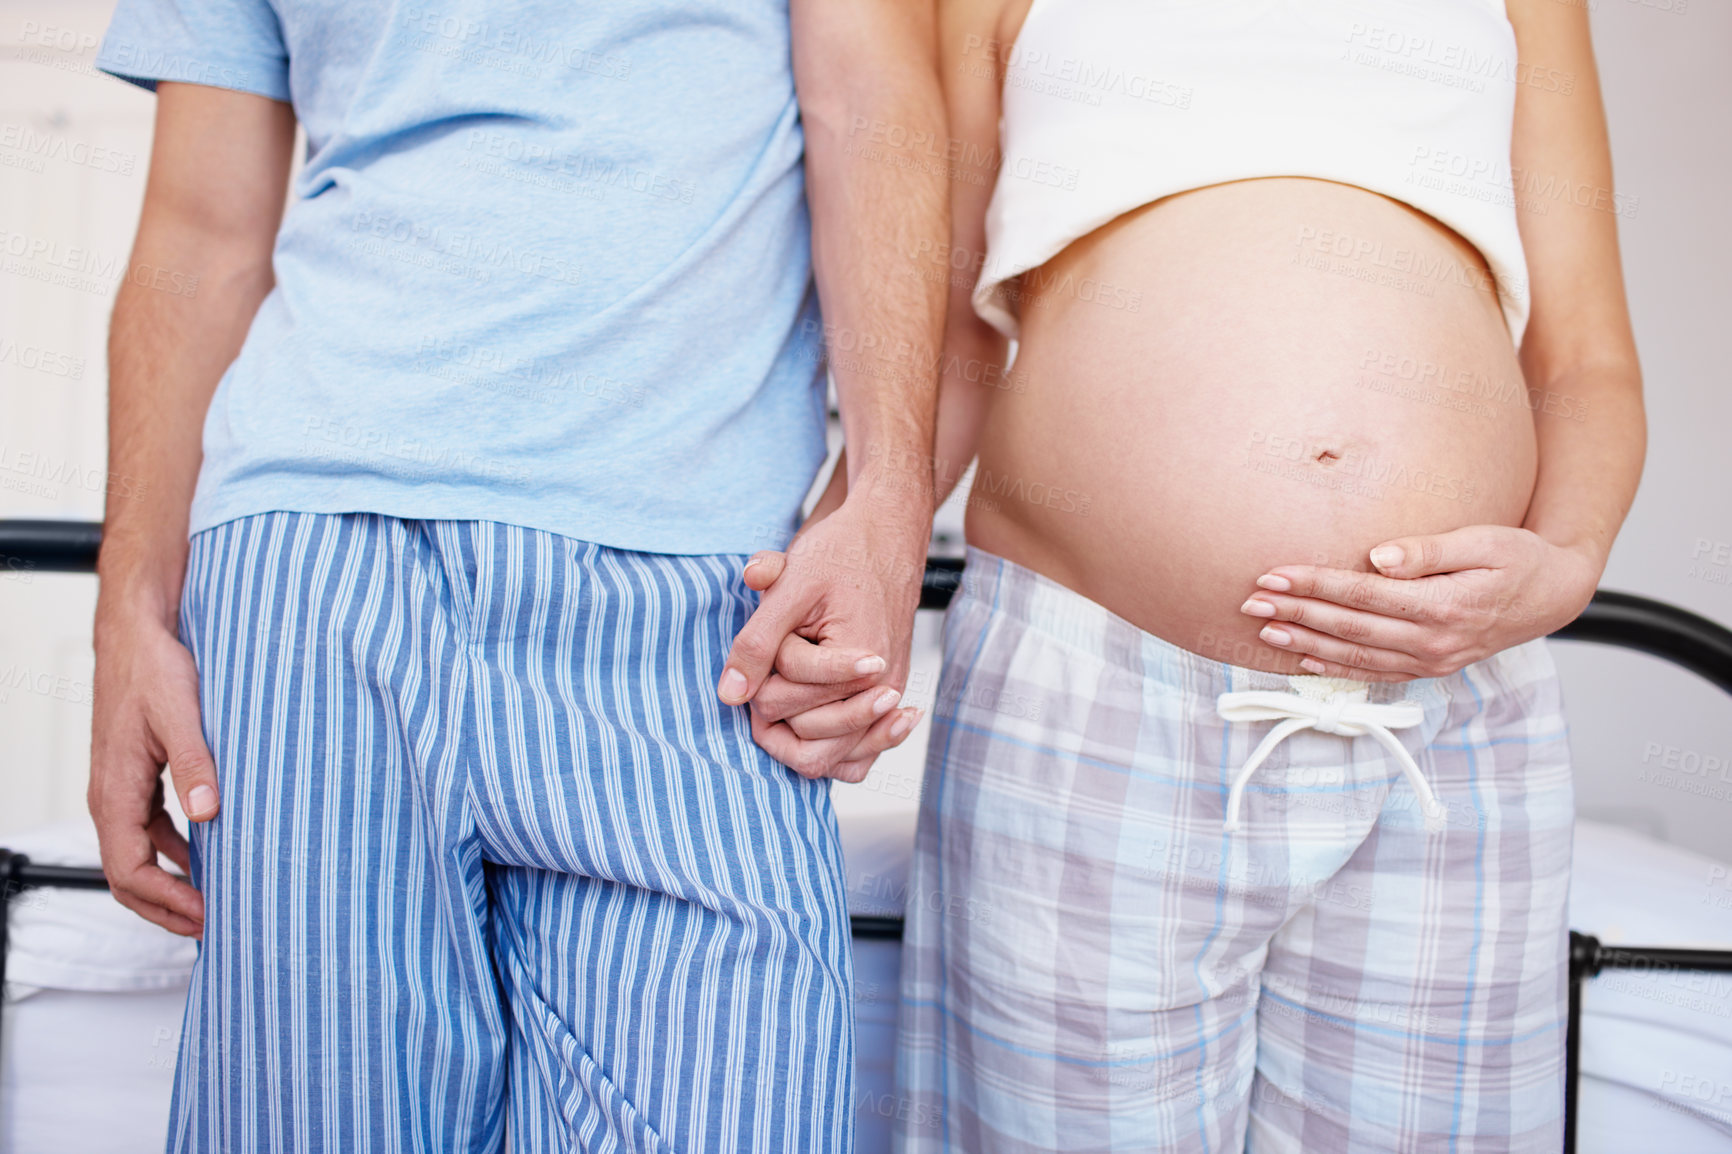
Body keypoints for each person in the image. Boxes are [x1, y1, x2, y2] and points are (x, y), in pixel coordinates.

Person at [744, 0, 1644, 1148]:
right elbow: (953, 344)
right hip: (1089, 686)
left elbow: (1585, 359)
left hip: (1452, 714)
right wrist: (854, 531)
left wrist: (1561, 570)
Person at [84, 1, 945, 1149]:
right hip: (312, 569)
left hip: (706, 602)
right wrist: (127, 610)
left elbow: (872, 98)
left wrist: (890, 495)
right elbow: (199, 231)